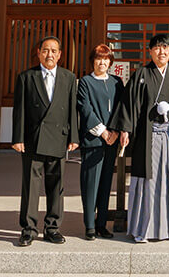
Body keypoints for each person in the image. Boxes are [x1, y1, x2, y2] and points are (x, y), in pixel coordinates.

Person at [113, 33, 169, 242]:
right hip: (147, 137)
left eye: (165, 48)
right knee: (148, 181)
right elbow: (130, 105)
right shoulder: (141, 74)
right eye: (157, 48)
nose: (161, 52)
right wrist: (125, 129)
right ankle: (143, 229)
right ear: (150, 51)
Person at [11, 35, 79, 246]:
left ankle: (52, 228)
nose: (49, 54)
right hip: (33, 139)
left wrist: (73, 137)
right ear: (39, 53)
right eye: (45, 50)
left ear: (60, 55)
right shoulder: (26, 77)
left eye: (53, 51)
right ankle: (28, 229)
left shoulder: (69, 77)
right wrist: (18, 138)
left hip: (58, 138)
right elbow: (19, 110)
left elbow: (72, 109)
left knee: (56, 185)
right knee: (30, 186)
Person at [76, 43, 125, 240]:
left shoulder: (117, 82)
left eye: (106, 59)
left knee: (106, 183)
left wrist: (115, 131)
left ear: (110, 61)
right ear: (93, 61)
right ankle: (89, 225)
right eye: (99, 58)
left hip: (111, 141)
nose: (102, 62)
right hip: (93, 140)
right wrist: (104, 132)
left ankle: (102, 223)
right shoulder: (85, 82)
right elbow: (85, 109)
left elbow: (121, 108)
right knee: (90, 183)